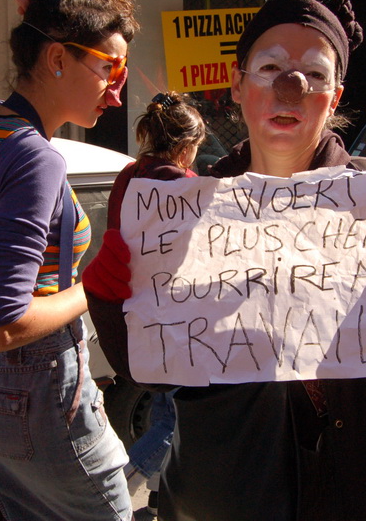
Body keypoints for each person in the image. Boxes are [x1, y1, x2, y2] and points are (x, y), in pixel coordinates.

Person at [82, 0, 366, 521]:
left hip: (365, 494)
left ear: (335, 97)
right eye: (270, 67)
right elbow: (153, 371)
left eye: (314, 76)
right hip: (233, 493)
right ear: (238, 83)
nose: (290, 87)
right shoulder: (187, 212)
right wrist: (111, 299)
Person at [0, 0, 139, 520]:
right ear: (56, 57)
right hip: (28, 395)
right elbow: (1, 328)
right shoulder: (37, 160)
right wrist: (95, 285)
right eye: (110, 68)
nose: (116, 92)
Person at [107, 91, 206, 515]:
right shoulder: (181, 185)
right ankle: (116, 493)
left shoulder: (130, 174)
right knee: (172, 418)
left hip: (135, 309)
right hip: (176, 317)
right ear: (185, 146)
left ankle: (157, 499)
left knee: (170, 411)